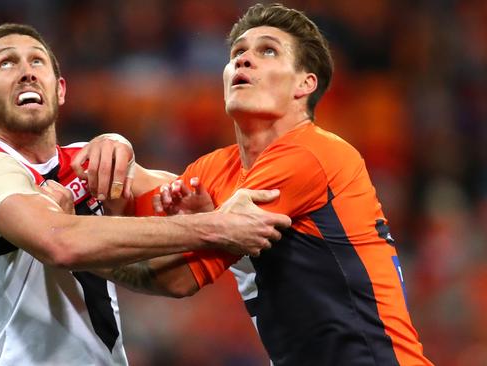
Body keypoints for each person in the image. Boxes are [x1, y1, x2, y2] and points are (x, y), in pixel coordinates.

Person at [87, 3, 433, 365]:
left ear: (305, 83)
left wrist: (73, 247)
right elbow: (126, 198)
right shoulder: (216, 171)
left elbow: (174, 278)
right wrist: (110, 148)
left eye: (267, 50)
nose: (244, 59)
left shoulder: (314, 156)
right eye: (237, 52)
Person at [0, 23, 291, 366]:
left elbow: (174, 281)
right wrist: (213, 225)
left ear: (60, 89)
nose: (26, 73)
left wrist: (203, 214)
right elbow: (60, 242)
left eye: (37, 62)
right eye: (6, 63)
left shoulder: (89, 162)